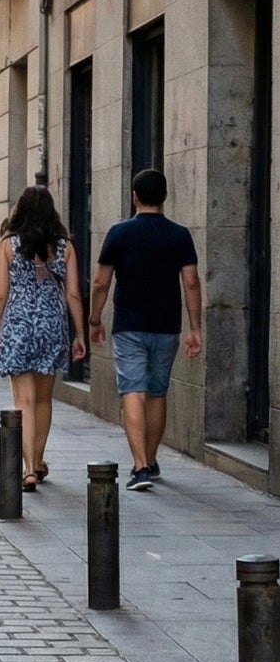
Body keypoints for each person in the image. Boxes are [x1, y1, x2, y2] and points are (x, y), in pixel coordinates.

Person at [89, 168, 202, 492]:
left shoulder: (119, 233)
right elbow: (191, 283)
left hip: (129, 326)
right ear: (164, 197)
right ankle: (150, 461)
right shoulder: (180, 235)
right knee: (157, 392)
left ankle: (140, 467)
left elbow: (100, 282)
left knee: (133, 391)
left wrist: (94, 319)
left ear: (134, 197)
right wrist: (195, 328)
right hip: (167, 326)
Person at [0, 186, 87, 490]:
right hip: (51, 323)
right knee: (43, 400)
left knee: (24, 400)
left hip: (19, 323)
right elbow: (73, 293)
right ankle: (38, 461)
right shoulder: (65, 247)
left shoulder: (7, 245)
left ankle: (29, 469)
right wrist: (79, 334)